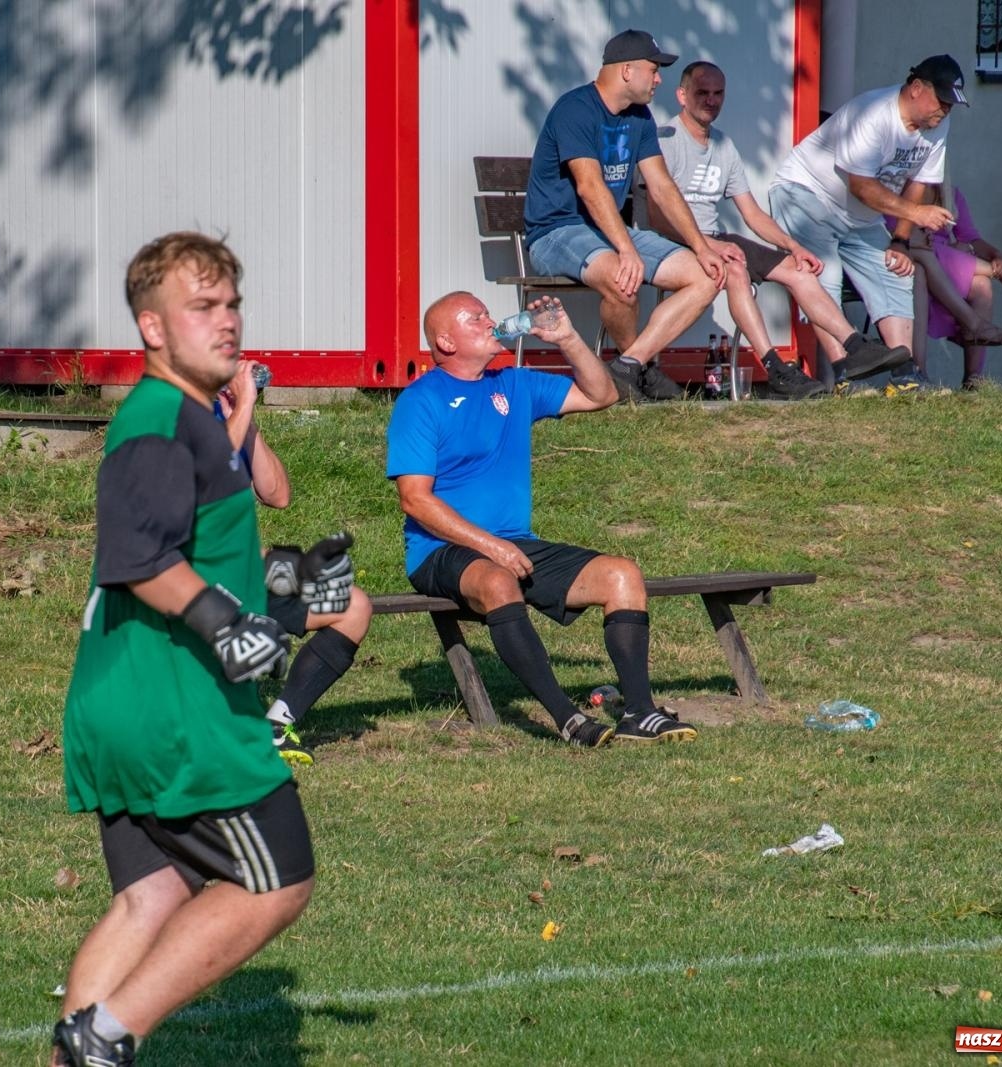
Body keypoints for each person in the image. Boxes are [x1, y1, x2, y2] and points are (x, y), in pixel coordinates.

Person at [53, 233, 314, 1067]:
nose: (226, 321)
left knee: (152, 896)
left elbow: (197, 547)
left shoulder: (197, 416)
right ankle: (107, 1034)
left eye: (231, 303)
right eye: (202, 307)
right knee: (278, 877)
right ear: (152, 327)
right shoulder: (161, 415)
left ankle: (74, 1058)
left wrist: (288, 588)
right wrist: (222, 625)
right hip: (177, 708)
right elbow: (139, 556)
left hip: (127, 697)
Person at [386, 290, 697, 747]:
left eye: (489, 314)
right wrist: (492, 546)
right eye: (477, 318)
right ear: (446, 342)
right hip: (439, 551)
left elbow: (603, 394)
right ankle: (568, 719)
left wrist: (568, 339)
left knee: (622, 575)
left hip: (514, 543)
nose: (491, 322)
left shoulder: (512, 383)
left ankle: (640, 712)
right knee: (497, 581)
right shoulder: (421, 401)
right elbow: (415, 501)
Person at [652, 61, 913, 399]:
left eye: (718, 93)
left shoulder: (723, 145)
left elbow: (753, 214)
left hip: (715, 238)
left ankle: (853, 349)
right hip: (678, 240)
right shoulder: (665, 140)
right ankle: (775, 368)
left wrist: (793, 246)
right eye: (702, 93)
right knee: (736, 270)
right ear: (682, 95)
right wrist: (704, 244)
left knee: (800, 271)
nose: (711, 100)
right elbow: (655, 218)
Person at [523, 28, 726, 404]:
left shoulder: (639, 116)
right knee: (623, 278)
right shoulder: (575, 109)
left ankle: (629, 366)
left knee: (705, 276)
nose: (659, 79)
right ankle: (642, 372)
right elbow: (590, 186)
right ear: (628, 71)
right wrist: (625, 250)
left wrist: (702, 246)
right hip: (556, 232)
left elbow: (662, 185)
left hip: (606, 232)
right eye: (654, 69)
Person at [767, 55, 969, 392]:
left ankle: (904, 375)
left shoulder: (937, 125)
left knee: (896, 272)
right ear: (916, 88)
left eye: (951, 105)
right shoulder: (872, 113)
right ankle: (846, 373)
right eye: (942, 101)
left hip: (861, 215)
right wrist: (917, 215)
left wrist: (901, 240)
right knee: (821, 276)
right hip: (807, 195)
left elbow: (918, 180)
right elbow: (860, 185)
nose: (945, 111)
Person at [215, 358, 373, 765]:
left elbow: (277, 495)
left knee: (353, 606)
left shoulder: (227, 414)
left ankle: (276, 725)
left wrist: (244, 419)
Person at [899, 181, 1002, 390]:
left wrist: (996, 255)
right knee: (921, 266)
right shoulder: (897, 188)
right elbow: (892, 232)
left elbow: (970, 237)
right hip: (911, 256)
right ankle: (919, 371)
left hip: (944, 265)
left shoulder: (949, 193)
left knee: (981, 285)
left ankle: (973, 379)